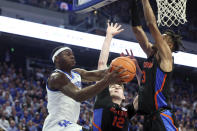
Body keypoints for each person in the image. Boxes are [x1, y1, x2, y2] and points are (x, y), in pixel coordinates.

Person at [42, 46, 128, 131]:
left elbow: (100, 74)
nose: (72, 56)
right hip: (57, 124)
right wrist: (107, 80)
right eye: (67, 54)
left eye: (72, 54)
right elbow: (78, 96)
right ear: (57, 59)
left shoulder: (77, 73)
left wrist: (120, 66)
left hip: (70, 124)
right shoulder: (57, 77)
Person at [130, 0, 183, 130]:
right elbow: (136, 30)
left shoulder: (167, 58)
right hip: (149, 119)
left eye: (162, 37)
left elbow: (152, 25)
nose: (157, 38)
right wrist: (132, 3)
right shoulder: (151, 54)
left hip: (162, 116)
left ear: (169, 46)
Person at [92, 22, 142, 131]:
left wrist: (137, 70)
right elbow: (101, 64)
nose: (116, 87)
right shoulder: (103, 99)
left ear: (124, 97)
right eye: (112, 86)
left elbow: (144, 92)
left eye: (119, 87)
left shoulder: (127, 111)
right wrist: (109, 36)